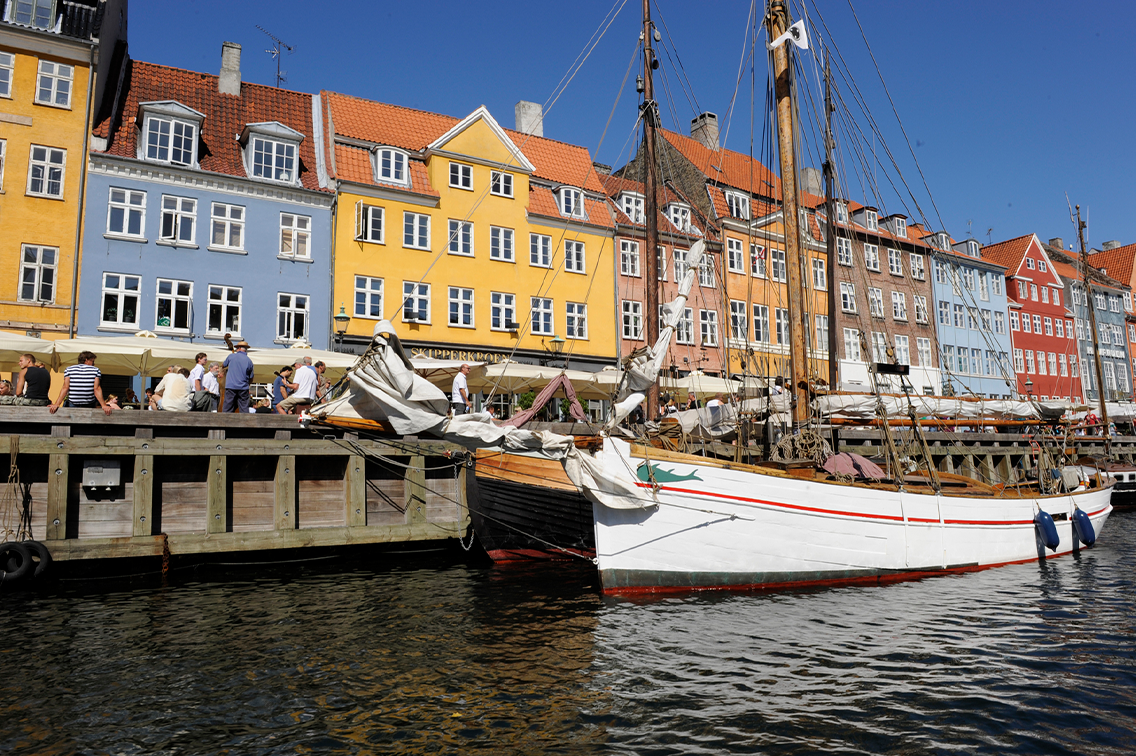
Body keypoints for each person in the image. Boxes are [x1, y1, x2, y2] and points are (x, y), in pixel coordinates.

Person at [221, 340, 255, 413]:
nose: (236, 350)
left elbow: (223, 365)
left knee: (227, 408)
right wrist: (247, 384)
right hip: (243, 387)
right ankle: (244, 423)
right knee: (244, 409)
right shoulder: (249, 361)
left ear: (239, 348)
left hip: (231, 386)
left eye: (236, 348)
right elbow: (251, 377)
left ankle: (224, 423)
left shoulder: (231, 356)